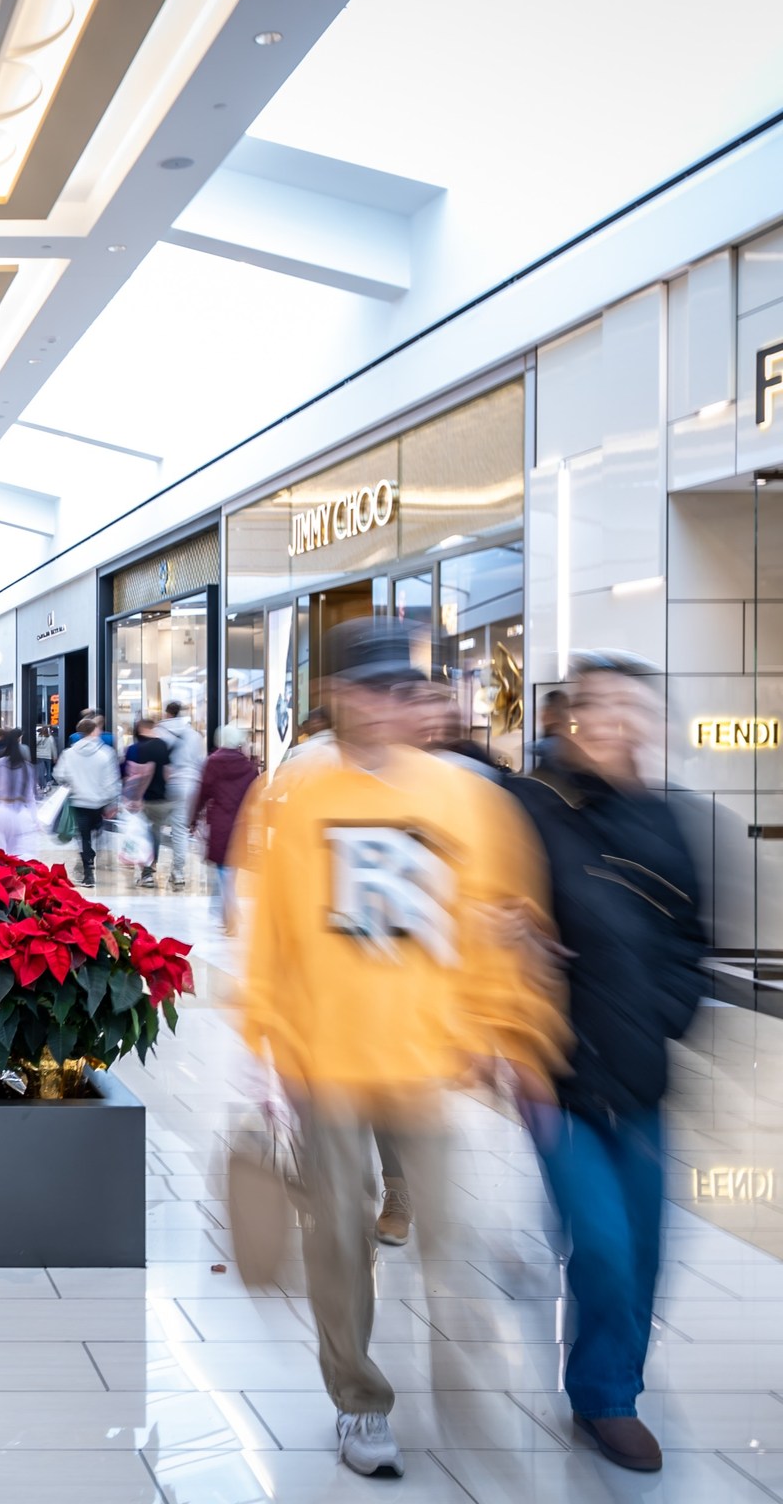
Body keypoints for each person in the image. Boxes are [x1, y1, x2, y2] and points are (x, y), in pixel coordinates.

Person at [239, 619, 564, 1480]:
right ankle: (359, 1398)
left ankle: (464, 1381)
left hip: (426, 1059)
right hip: (324, 1058)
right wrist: (263, 1050)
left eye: (402, 690)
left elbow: (501, 925)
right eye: (371, 690)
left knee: (447, 1233)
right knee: (340, 1237)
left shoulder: (467, 801)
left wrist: (510, 1033)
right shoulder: (298, 794)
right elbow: (269, 931)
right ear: (340, 697)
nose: (390, 707)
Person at [508, 653, 705, 1473]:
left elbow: (692, 943)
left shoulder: (671, 819)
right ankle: (604, 1400)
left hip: (644, 1072)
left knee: (648, 1249)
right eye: (604, 707)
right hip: (559, 1070)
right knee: (604, 1243)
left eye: (637, 709)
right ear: (573, 717)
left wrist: (665, 1015)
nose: (621, 723)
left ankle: (613, 1371)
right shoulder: (529, 808)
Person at [187, 725, 258, 934]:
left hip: (220, 821)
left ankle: (231, 916)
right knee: (229, 871)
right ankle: (227, 914)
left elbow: (203, 792)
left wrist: (192, 819)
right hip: (241, 823)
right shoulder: (248, 766)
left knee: (223, 870)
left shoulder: (213, 762)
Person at [56, 716, 122, 887]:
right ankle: (98, 859)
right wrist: (112, 802)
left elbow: (59, 775)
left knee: (83, 837)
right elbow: (111, 780)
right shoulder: (105, 754)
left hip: (79, 802)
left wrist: (73, 784)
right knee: (99, 832)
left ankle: (88, 872)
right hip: (99, 802)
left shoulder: (69, 754)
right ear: (94, 731)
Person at [157, 701, 205, 886]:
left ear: (167, 713)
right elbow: (201, 763)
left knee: (154, 827)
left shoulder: (159, 732)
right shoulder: (194, 735)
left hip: (165, 785)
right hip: (189, 784)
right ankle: (178, 872)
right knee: (179, 831)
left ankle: (149, 869)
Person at [121, 719, 173, 888]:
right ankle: (150, 867)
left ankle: (145, 870)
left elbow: (135, 776)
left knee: (141, 833)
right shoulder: (163, 745)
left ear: (141, 729)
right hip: (161, 798)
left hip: (144, 800)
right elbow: (167, 772)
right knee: (155, 834)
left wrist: (134, 798)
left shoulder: (138, 749)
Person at [0, 729, 39, 857]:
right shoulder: (27, 767)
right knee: (18, 854)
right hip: (21, 812)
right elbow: (30, 797)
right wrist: (35, 819)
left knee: (0, 852)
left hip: (1, 809)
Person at [34, 724, 58, 790]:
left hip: (38, 756)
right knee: (48, 770)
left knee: (40, 771)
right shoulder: (50, 738)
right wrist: (55, 757)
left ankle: (41, 784)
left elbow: (34, 746)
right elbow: (53, 748)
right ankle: (48, 784)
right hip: (48, 756)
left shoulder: (37, 737)